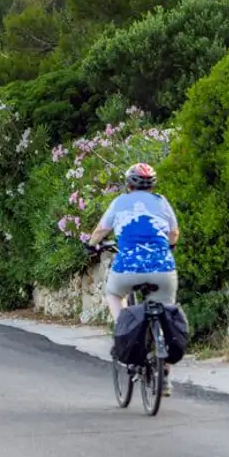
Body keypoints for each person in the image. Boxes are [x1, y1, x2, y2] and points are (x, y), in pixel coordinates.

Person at [87, 162, 179, 394]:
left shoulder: (119, 202)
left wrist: (91, 245)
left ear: (128, 184)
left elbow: (100, 231)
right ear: (152, 185)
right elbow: (174, 233)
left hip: (128, 267)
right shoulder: (161, 202)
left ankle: (124, 329)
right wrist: (168, 246)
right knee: (166, 314)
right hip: (162, 267)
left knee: (114, 294)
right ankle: (165, 374)